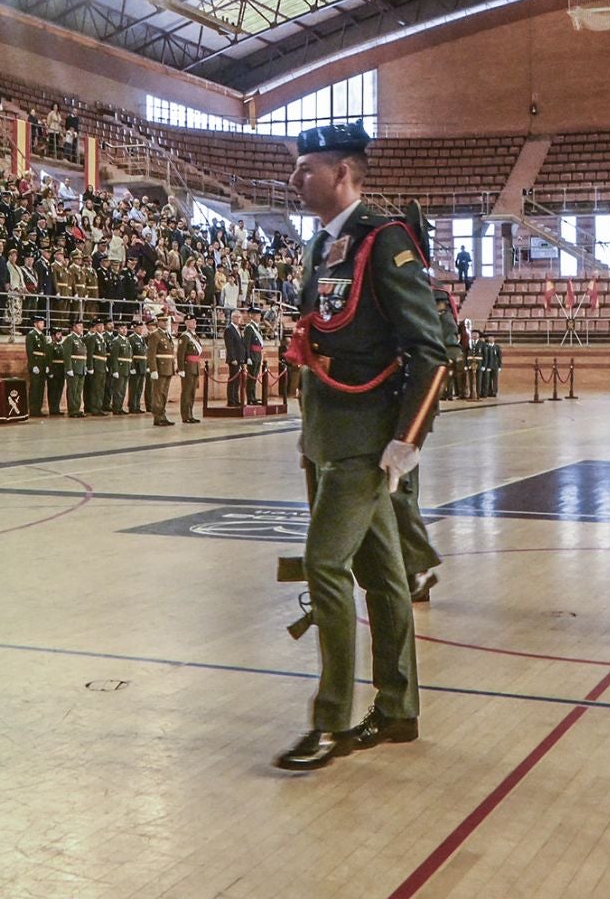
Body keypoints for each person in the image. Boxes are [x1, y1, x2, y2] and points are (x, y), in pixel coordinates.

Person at [275, 122, 446, 772]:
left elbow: (430, 347)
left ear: (344, 171)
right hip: (328, 434)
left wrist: (408, 438)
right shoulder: (327, 244)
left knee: (325, 565)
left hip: (367, 442)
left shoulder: (384, 239)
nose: (296, 180)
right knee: (382, 572)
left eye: (307, 168)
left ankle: (331, 722)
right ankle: (398, 708)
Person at [144, 313, 177, 427]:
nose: (165, 323)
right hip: (160, 368)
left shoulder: (167, 335)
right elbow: (151, 354)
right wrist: (153, 369)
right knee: (157, 394)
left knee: (164, 394)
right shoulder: (155, 335)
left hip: (167, 368)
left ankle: (163, 415)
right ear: (158, 322)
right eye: (163, 321)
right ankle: (158, 417)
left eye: (166, 321)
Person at [177, 314, 204, 424]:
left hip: (195, 366)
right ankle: (185, 415)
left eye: (194, 320)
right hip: (188, 367)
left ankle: (190, 414)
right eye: (190, 321)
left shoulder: (196, 337)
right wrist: (181, 369)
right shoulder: (184, 336)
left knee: (192, 392)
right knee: (186, 392)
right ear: (186, 323)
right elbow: (180, 354)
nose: (193, 322)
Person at [23, 314, 51, 418]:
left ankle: (38, 409)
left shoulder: (42, 335)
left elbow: (46, 351)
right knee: (34, 388)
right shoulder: (31, 335)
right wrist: (33, 364)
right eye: (40, 323)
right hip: (36, 363)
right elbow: (30, 351)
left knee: (41, 387)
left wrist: (47, 364)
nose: (42, 324)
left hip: (42, 364)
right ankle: (33, 409)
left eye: (43, 323)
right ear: (35, 324)